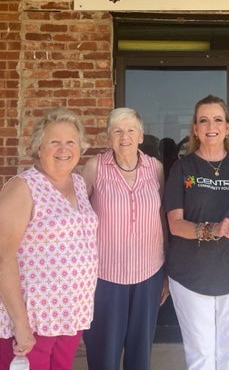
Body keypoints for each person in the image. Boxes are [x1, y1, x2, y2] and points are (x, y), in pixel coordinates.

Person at [0, 108, 98, 370]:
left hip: (68, 316)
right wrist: (21, 325)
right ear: (38, 147)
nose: (63, 149)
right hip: (29, 321)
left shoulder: (79, 184)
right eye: (54, 142)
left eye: (71, 142)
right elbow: (1, 260)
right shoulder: (22, 188)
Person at [164, 95, 229, 370]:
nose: (211, 126)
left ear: (228, 127)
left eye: (218, 119)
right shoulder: (182, 168)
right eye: (203, 120)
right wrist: (213, 229)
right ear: (195, 129)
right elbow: (175, 224)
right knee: (201, 357)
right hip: (191, 276)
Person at [82, 107, 168, 370]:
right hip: (105, 276)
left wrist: (166, 271)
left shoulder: (155, 168)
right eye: (117, 131)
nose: (125, 137)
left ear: (141, 135)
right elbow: (78, 217)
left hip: (148, 273)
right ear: (108, 137)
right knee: (103, 353)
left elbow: (162, 217)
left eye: (131, 130)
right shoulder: (95, 167)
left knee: (140, 353)